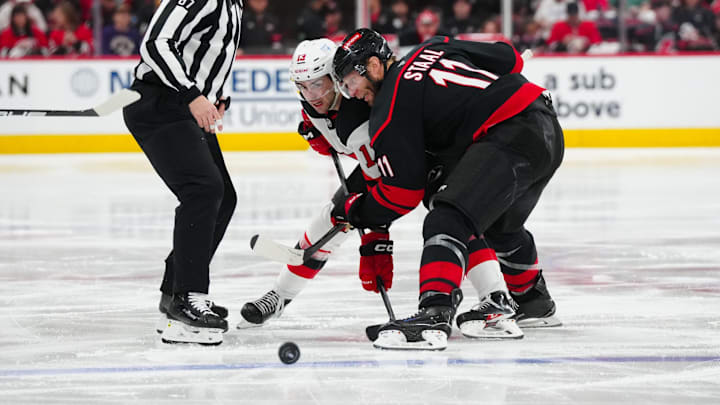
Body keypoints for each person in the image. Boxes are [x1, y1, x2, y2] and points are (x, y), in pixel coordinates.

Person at [332, 29, 563, 350]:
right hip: (545, 125)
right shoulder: (433, 46)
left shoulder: (388, 107)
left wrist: (357, 210)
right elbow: (508, 57)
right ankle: (533, 302)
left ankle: (434, 313)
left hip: (511, 133)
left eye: (349, 82)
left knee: (446, 219)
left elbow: (403, 193)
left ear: (373, 65)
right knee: (499, 227)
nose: (351, 94)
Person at [237, 38, 387, 328]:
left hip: (406, 166)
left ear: (336, 78)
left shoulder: (358, 110)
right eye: (302, 86)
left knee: (449, 219)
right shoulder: (315, 103)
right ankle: (279, 296)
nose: (310, 94)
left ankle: (494, 293)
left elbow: (380, 180)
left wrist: (375, 240)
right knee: (328, 220)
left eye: (317, 84)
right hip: (380, 165)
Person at [122, 0, 242, 345]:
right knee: (202, 190)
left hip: (181, 108)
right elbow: (156, 43)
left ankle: (176, 291)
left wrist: (217, 95)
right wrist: (193, 94)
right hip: (159, 105)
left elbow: (208, 52)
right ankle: (187, 296)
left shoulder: (233, 3)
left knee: (222, 199)